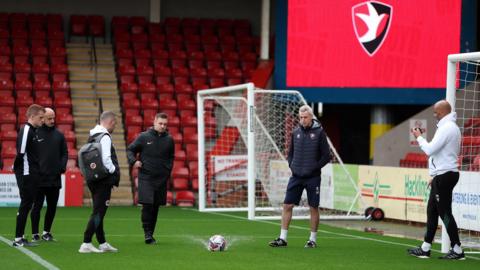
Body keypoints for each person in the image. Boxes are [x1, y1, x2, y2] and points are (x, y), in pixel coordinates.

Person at [408, 100, 464, 260]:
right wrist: (435, 175)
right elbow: (442, 154)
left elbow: (430, 150)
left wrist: (419, 137)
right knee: (432, 210)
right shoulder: (450, 127)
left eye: (436, 113)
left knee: (444, 212)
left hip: (445, 175)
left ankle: (457, 249)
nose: (434, 115)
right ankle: (426, 248)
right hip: (443, 174)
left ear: (442, 112)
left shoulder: (447, 128)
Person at [269, 105, 331, 248]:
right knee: (287, 205)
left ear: (311, 117)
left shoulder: (320, 133)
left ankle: (312, 240)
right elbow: (290, 153)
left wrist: (314, 168)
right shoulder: (295, 132)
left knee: (313, 207)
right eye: (301, 117)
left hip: (313, 177)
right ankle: (282, 239)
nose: (303, 120)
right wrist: (292, 165)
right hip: (296, 176)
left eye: (305, 117)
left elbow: (327, 156)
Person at [127, 113, 175, 244]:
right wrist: (134, 162)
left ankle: (151, 233)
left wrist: (167, 170)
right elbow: (130, 150)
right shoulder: (144, 137)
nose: (162, 126)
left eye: (165, 124)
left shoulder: (169, 140)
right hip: (146, 177)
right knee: (147, 205)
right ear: (154, 122)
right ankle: (147, 233)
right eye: (160, 123)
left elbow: (171, 157)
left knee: (155, 207)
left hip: (161, 178)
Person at [79, 111, 120, 253]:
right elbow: (106, 159)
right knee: (99, 211)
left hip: (93, 179)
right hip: (103, 180)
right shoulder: (105, 136)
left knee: (99, 210)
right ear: (109, 122)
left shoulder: (93, 135)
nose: (115, 125)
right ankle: (86, 242)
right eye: (114, 122)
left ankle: (102, 242)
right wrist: (114, 171)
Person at [30, 108, 68, 242]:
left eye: (53, 118)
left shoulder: (59, 135)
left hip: (54, 178)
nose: (52, 121)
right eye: (49, 118)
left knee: (52, 207)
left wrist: (62, 167)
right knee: (37, 207)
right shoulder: (34, 134)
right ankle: (35, 233)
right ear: (42, 118)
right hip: (39, 179)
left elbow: (64, 153)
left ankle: (46, 232)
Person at [12, 104, 45, 247]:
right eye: (41, 117)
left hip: (32, 173)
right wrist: (16, 168)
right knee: (25, 204)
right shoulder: (26, 130)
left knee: (27, 205)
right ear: (32, 116)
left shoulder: (34, 131)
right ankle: (18, 239)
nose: (42, 120)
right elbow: (21, 153)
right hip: (27, 174)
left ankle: (20, 237)